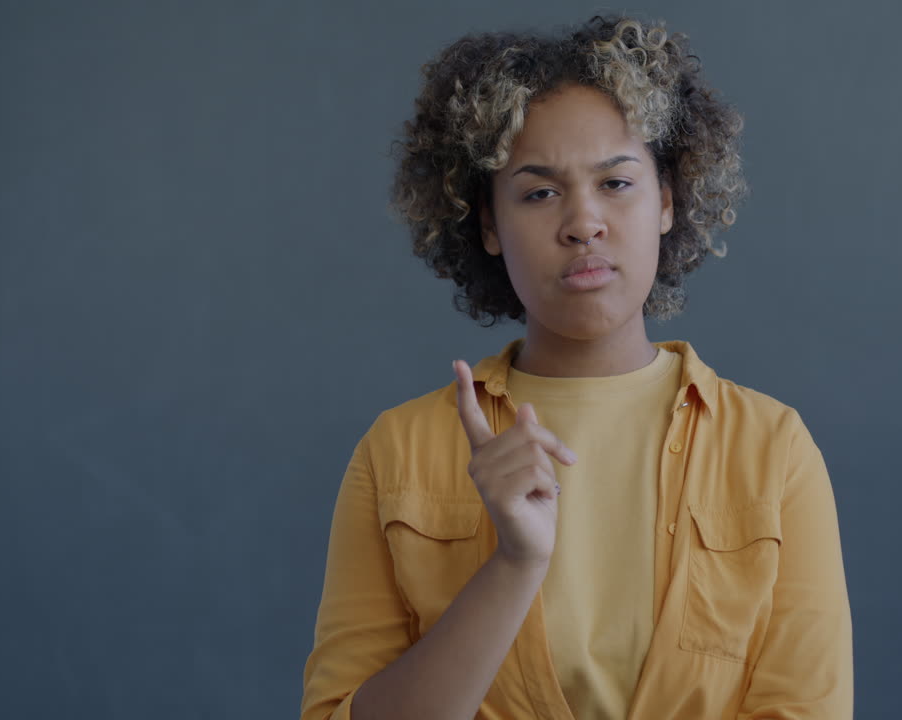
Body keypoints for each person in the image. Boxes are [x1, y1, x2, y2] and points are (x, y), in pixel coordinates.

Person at [300, 15, 852, 720]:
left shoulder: (773, 451)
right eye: (538, 193)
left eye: (616, 184)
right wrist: (513, 565)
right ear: (489, 227)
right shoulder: (396, 453)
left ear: (667, 202)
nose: (583, 222)